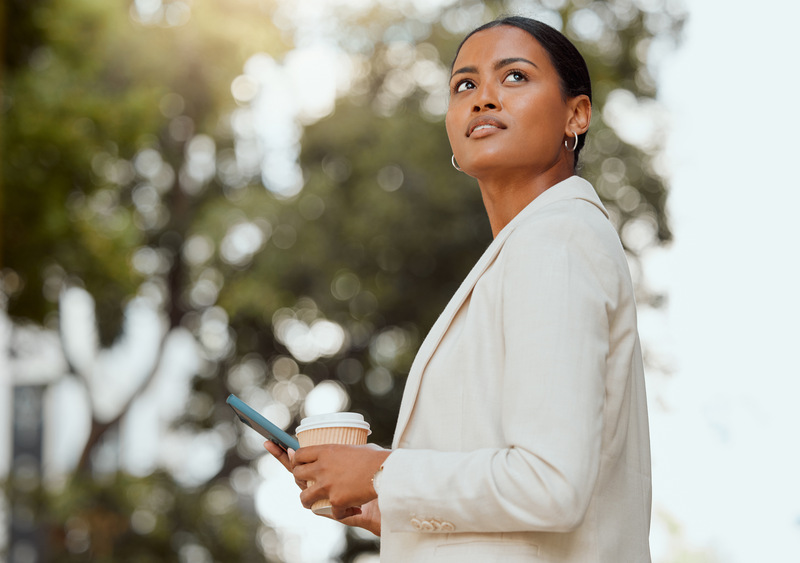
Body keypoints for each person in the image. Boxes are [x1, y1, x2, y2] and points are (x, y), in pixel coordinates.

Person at [265, 15, 652, 563]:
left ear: (576, 114)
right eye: (464, 85)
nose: (483, 98)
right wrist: (387, 507)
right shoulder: (531, 246)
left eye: (514, 76)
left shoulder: (555, 240)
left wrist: (383, 472)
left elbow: (551, 482)